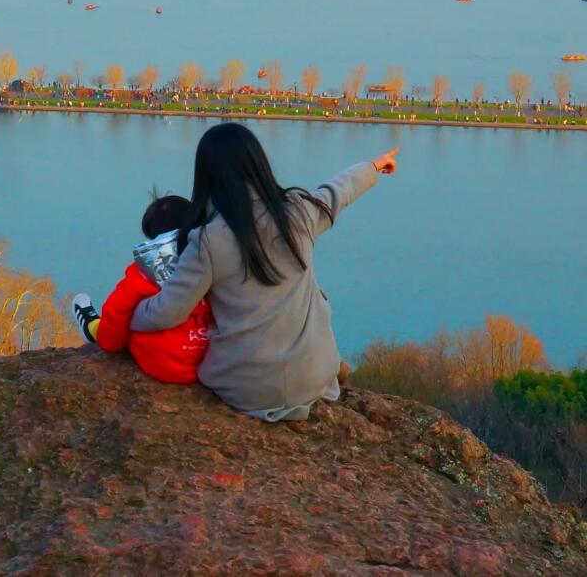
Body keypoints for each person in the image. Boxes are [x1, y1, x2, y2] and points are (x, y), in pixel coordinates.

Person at [129, 122, 399, 421]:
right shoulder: (298, 212)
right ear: (258, 164)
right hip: (315, 379)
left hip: (245, 389)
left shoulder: (207, 240)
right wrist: (373, 167)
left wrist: (132, 316)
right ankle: (332, 363)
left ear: (205, 176)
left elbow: (168, 312)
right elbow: (338, 191)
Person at [72, 194, 213, 384]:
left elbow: (116, 311)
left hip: (164, 365)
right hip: (209, 362)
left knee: (125, 317)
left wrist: (108, 343)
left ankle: (93, 327)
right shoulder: (213, 264)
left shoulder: (143, 273)